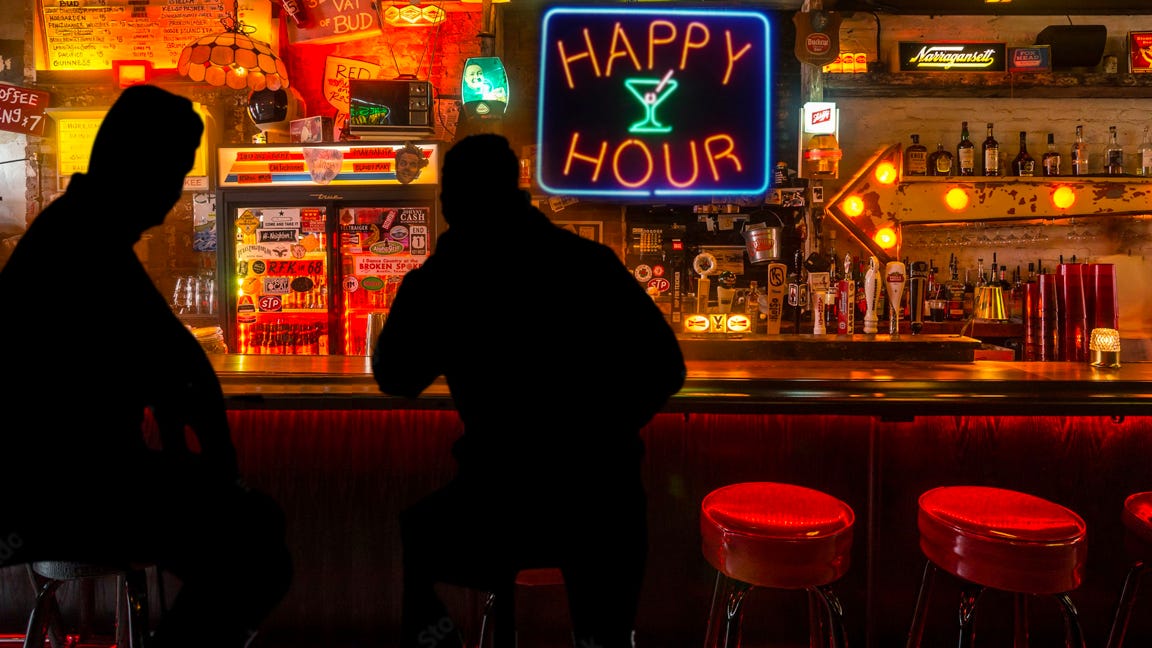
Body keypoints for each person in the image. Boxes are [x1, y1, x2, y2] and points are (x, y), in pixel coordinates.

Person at [0, 84, 292, 648]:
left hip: (66, 481)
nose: (175, 190)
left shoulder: (80, 228)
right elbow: (180, 365)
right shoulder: (84, 240)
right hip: (60, 488)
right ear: (136, 163)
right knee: (253, 543)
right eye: (173, 171)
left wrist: (197, 448)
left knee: (249, 533)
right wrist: (216, 462)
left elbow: (173, 363)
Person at [372, 133, 686, 648]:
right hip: (604, 498)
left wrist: (425, 280)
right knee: (603, 637)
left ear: (450, 202)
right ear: (516, 189)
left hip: (498, 502)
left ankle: (443, 639)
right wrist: (602, 433)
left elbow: (396, 377)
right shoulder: (588, 262)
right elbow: (666, 368)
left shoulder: (444, 281)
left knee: (416, 534)